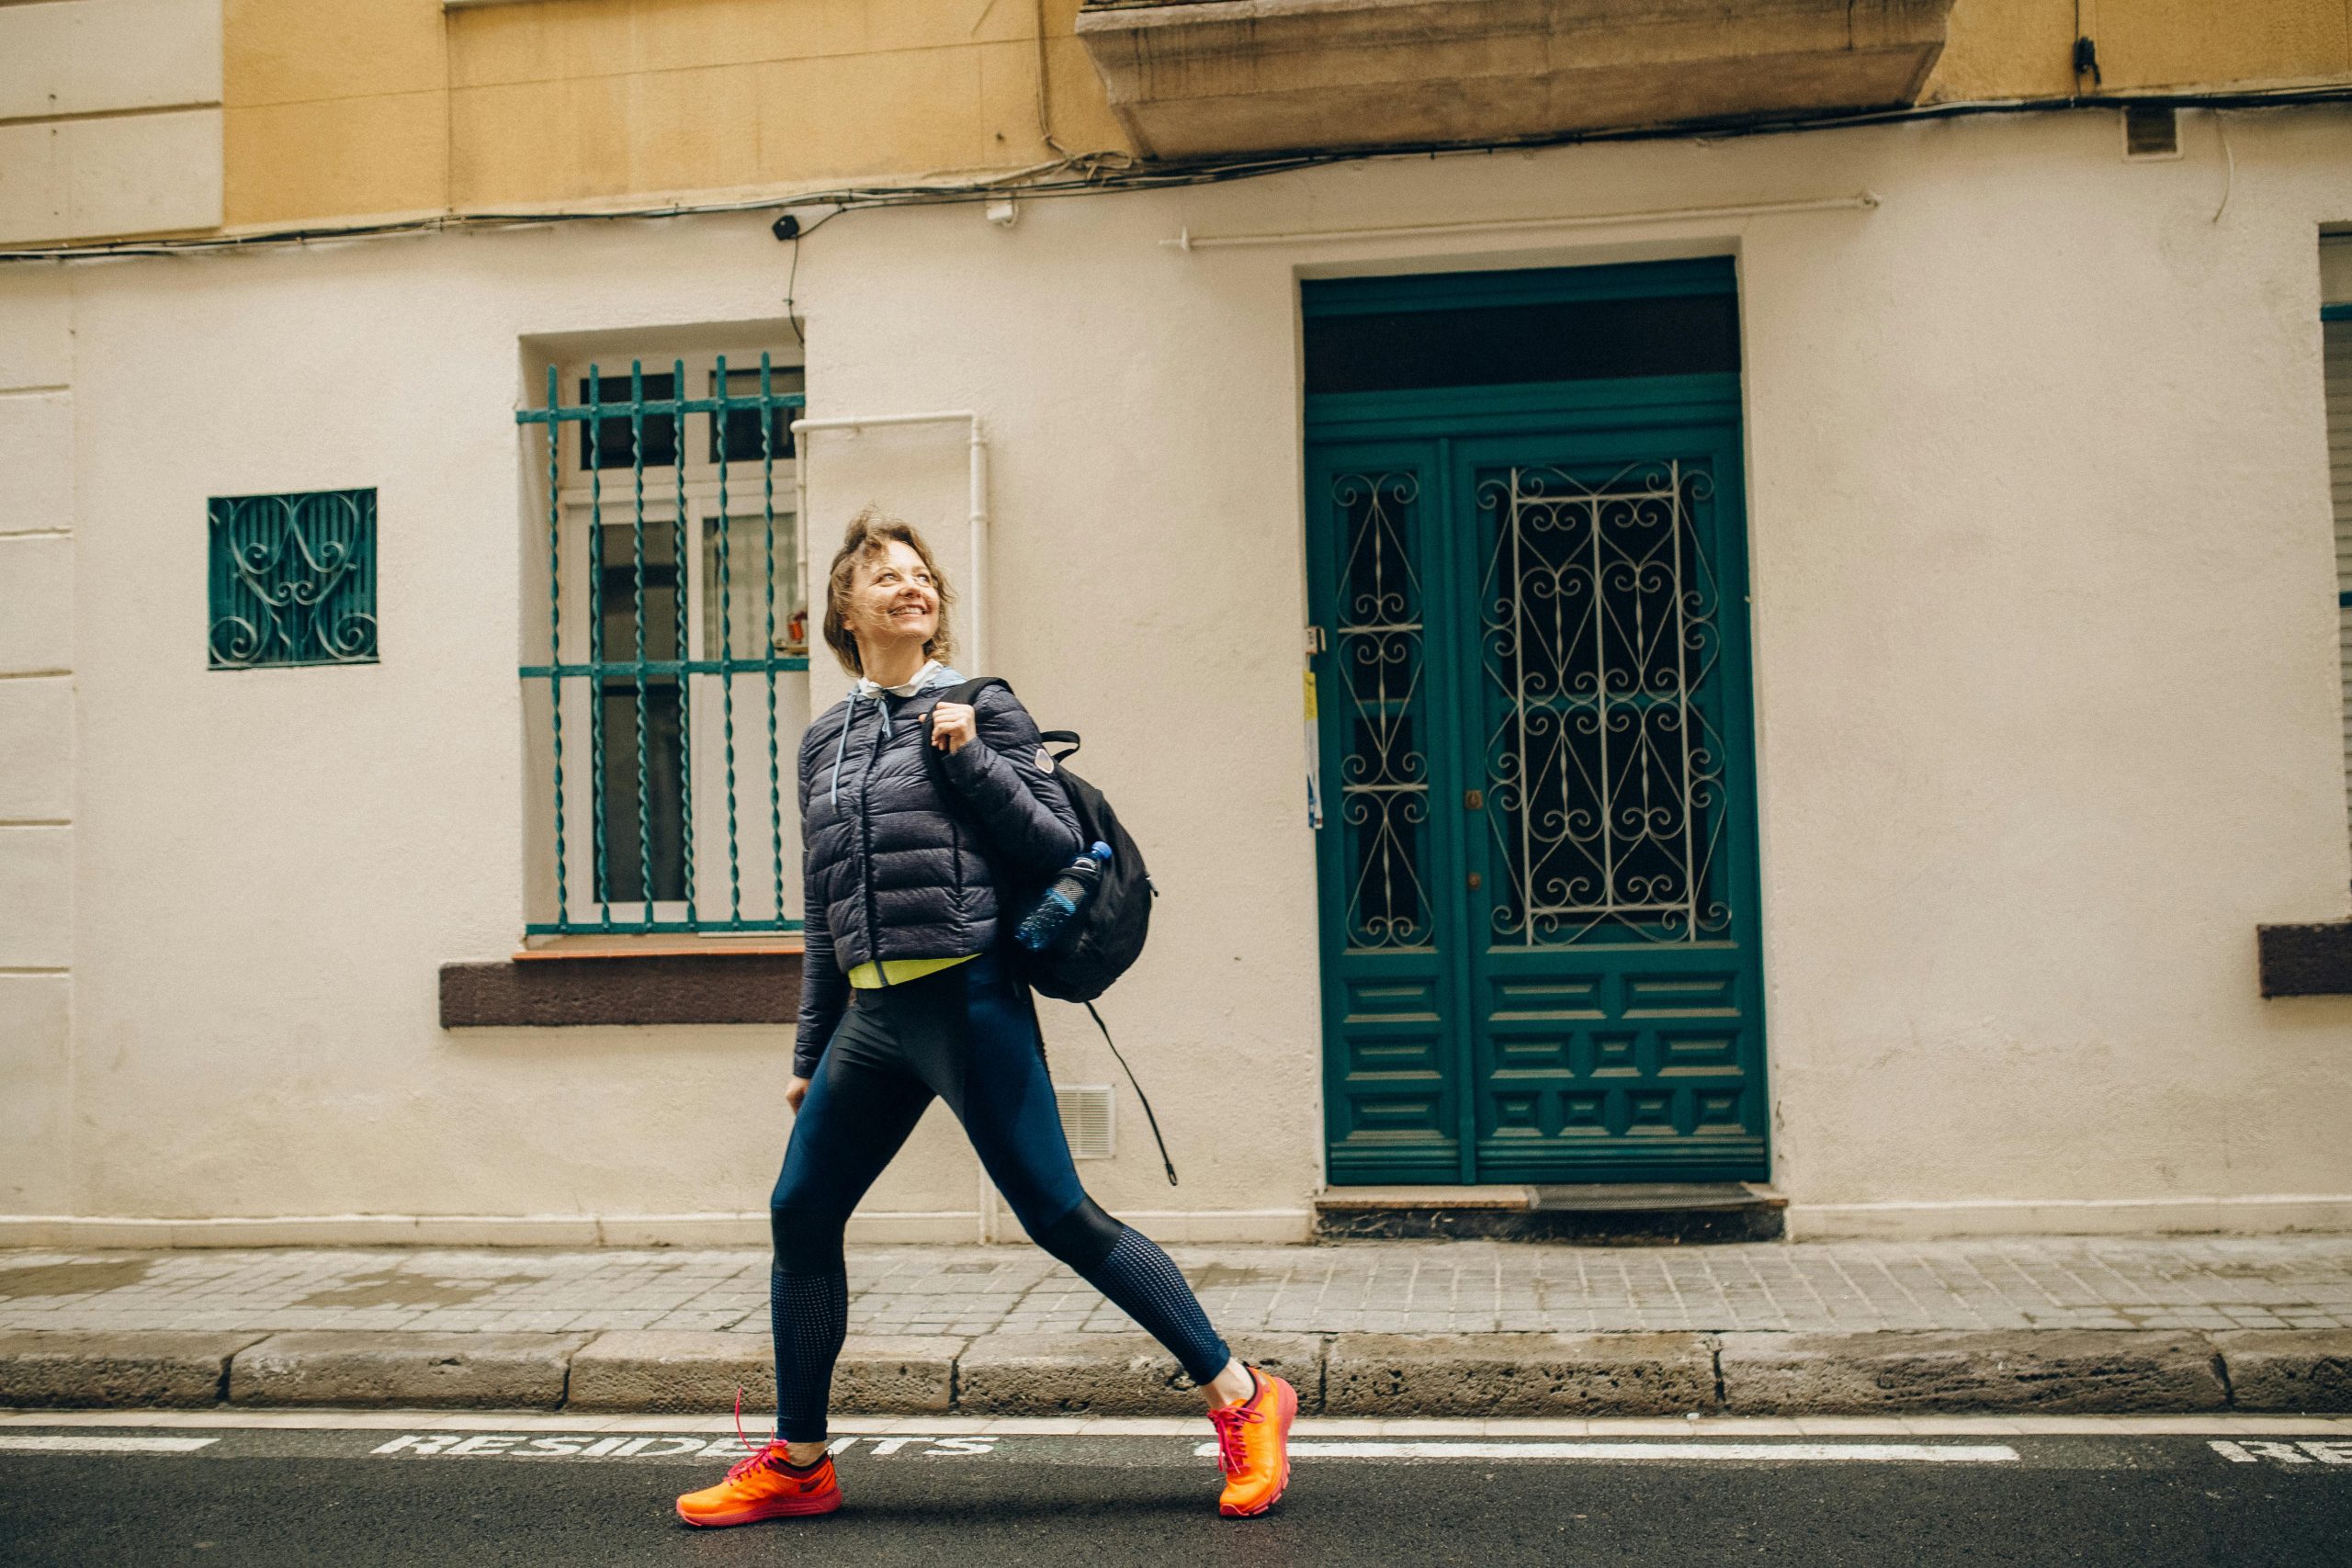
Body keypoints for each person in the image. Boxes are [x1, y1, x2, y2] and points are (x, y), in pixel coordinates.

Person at [676, 507, 1295, 1527]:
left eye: (922, 577)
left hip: (967, 999)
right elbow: (825, 903)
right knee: (801, 1211)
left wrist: (968, 756)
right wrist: (809, 1045)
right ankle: (799, 1461)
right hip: (872, 1022)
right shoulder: (824, 741)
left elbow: (1060, 847)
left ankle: (1242, 1393)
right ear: (845, 607)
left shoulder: (980, 705)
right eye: (886, 577)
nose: (910, 588)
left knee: (1057, 1216)